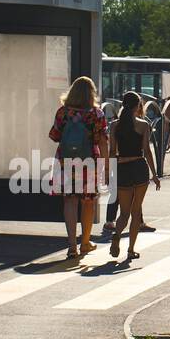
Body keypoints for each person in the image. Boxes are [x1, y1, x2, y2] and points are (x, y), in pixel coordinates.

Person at [48, 76, 109, 260]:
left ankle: (72, 245)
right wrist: (106, 166)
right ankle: (85, 242)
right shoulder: (96, 114)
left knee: (70, 201)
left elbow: (55, 135)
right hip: (89, 162)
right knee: (88, 201)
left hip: (65, 162)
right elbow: (103, 141)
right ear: (92, 93)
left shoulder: (62, 113)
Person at [108, 91, 161, 261]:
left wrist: (110, 173)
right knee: (135, 211)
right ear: (138, 106)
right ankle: (130, 249)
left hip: (122, 169)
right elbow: (147, 151)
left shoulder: (114, 125)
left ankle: (117, 234)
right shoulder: (143, 125)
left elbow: (111, 152)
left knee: (124, 212)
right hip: (139, 168)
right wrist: (154, 174)